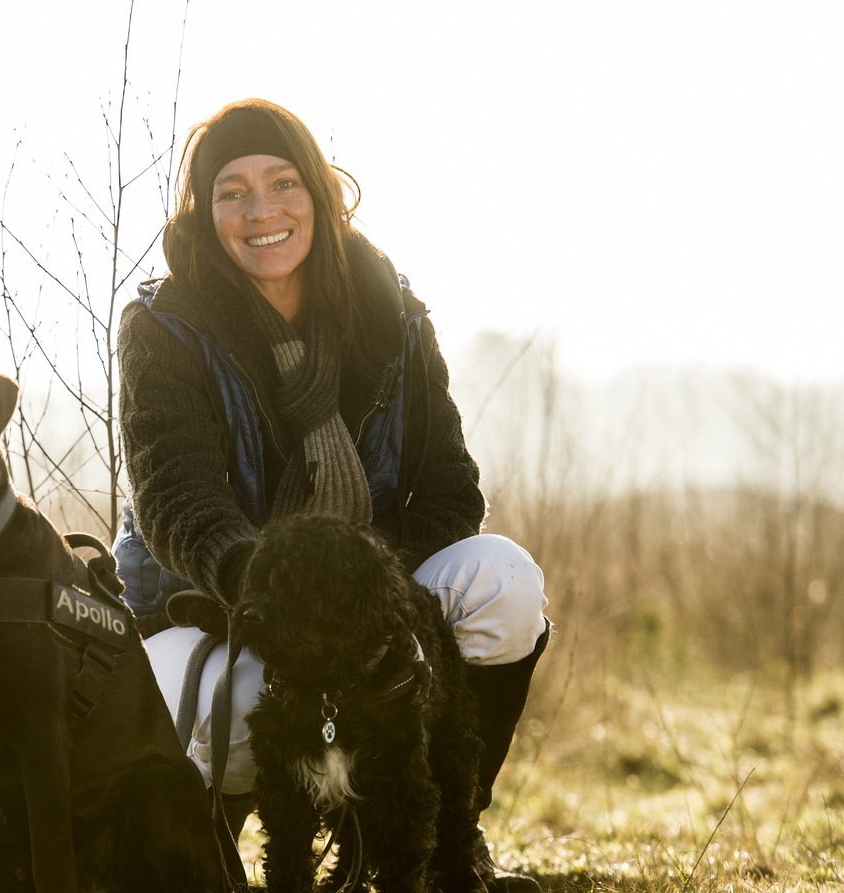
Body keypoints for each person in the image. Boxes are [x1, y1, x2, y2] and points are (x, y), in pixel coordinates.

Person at [112, 98, 550, 893]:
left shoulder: (393, 313)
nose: (262, 210)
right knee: (233, 713)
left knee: (504, 581)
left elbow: (452, 487)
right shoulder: (165, 325)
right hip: (217, 600)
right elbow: (176, 503)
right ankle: (228, 859)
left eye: (282, 183)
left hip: (367, 590)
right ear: (207, 212)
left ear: (318, 191)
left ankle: (447, 830)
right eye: (232, 192)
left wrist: (356, 585)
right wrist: (279, 587)